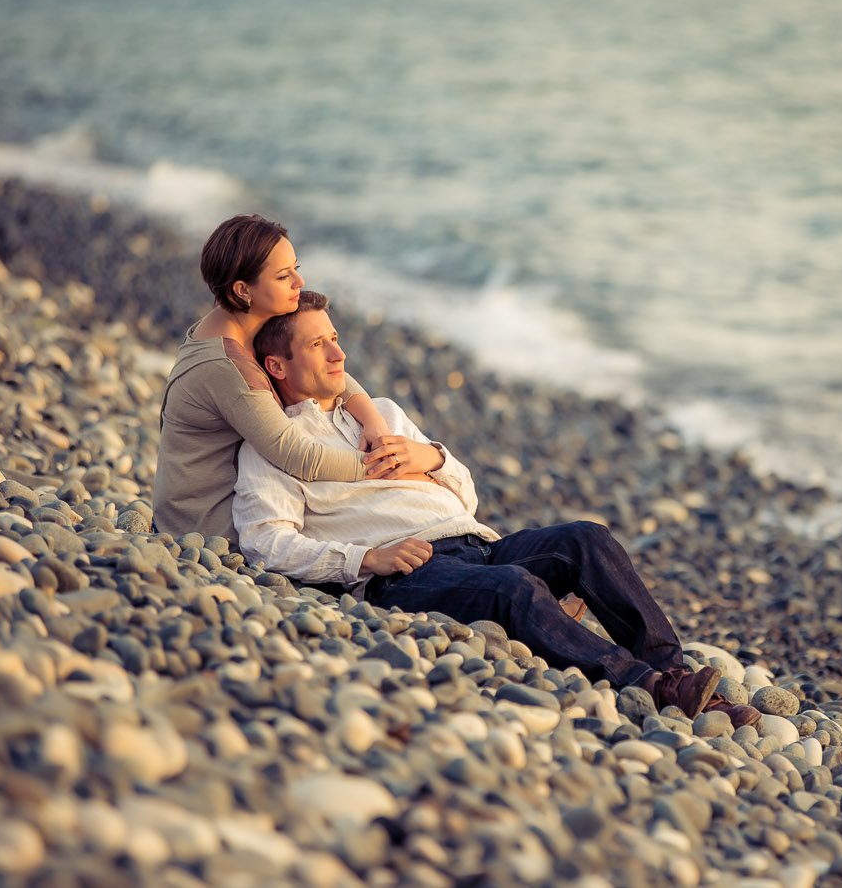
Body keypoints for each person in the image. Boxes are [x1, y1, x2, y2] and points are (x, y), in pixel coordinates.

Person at [231, 291, 760, 726]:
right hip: (411, 571)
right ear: (277, 364)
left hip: (476, 541)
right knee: (513, 588)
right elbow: (265, 540)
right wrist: (366, 561)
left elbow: (465, 493)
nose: (338, 354)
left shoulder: (382, 413)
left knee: (586, 538)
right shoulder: (275, 444)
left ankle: (679, 673)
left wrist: (430, 456)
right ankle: (647, 685)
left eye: (335, 339)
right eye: (317, 345)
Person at [153, 214, 401, 543]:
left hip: (243, 493)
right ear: (243, 290)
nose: (299, 282)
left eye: (296, 268)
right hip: (208, 525)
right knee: (383, 523)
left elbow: (331, 371)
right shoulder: (226, 366)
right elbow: (299, 457)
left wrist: (373, 420)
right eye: (284, 276)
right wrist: (390, 467)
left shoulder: (239, 322)